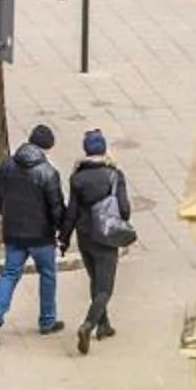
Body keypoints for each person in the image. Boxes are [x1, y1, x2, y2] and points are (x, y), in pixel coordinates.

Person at [0, 121, 66, 342]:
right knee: (48, 275)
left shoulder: (7, 165)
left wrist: (6, 216)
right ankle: (47, 321)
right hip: (41, 236)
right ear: (47, 147)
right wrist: (62, 230)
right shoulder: (48, 173)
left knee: (9, 274)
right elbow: (56, 208)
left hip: (13, 233)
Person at [63, 128, 134, 351]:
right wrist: (120, 223)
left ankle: (104, 325)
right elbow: (124, 208)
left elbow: (71, 212)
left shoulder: (77, 178)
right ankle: (88, 325)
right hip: (106, 236)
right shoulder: (114, 175)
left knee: (95, 280)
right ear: (104, 150)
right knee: (105, 288)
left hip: (85, 236)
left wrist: (64, 238)